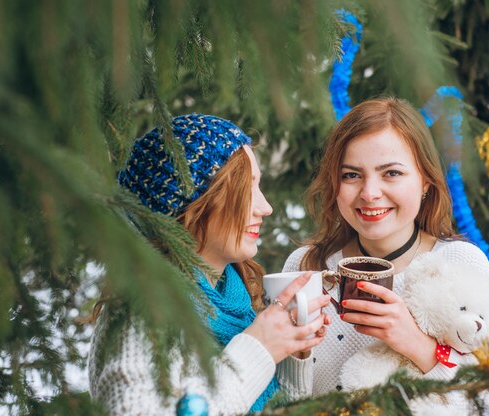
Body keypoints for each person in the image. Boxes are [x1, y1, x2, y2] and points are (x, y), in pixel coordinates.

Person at [88, 114, 330, 415]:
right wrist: (259, 349)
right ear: (191, 202)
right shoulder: (144, 306)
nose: (265, 207)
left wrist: (294, 349)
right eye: (245, 190)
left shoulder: (232, 296)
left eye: (259, 186)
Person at [282, 98, 489, 401]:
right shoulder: (305, 266)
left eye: (391, 173)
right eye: (351, 175)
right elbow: (280, 400)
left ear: (425, 182)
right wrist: (295, 357)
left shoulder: (461, 263)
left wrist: (417, 345)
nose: (370, 193)